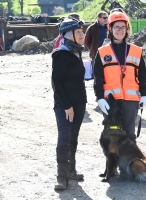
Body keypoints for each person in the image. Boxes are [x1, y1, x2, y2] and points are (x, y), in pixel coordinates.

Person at [93, 12, 146, 141]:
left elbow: (142, 75)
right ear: (110, 29)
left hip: (131, 100)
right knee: (112, 136)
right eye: (116, 27)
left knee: (129, 135)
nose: (120, 30)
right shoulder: (102, 52)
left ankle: (130, 161)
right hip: (111, 100)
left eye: (123, 27)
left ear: (127, 29)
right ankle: (113, 162)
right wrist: (99, 98)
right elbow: (98, 78)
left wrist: (144, 94)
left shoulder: (136, 51)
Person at [51, 19, 87, 190]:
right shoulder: (61, 54)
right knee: (64, 138)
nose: (82, 34)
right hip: (65, 105)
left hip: (79, 103)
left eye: (82, 31)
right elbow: (56, 83)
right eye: (79, 32)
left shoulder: (77, 52)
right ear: (68, 35)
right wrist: (66, 106)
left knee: (73, 137)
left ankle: (71, 170)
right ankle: (61, 176)